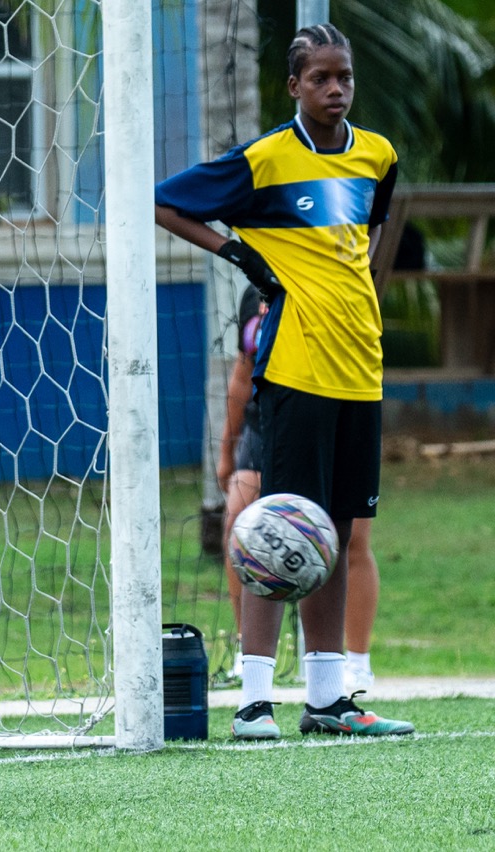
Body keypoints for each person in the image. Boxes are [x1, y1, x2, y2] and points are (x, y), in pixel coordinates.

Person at [156, 23, 413, 739]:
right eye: (320, 78)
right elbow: (165, 202)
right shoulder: (266, 159)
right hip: (296, 371)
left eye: (345, 77)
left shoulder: (377, 155)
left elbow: (367, 236)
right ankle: (253, 702)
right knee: (279, 530)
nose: (336, 89)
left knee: (335, 532)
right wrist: (238, 252)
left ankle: (328, 700)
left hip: (360, 371)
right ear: (294, 85)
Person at [218, 286, 380, 695]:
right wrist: (225, 450)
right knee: (243, 522)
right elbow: (242, 373)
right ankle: (250, 660)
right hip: (268, 418)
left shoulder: (340, 281)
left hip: (336, 403)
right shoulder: (255, 291)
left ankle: (356, 665)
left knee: (348, 538)